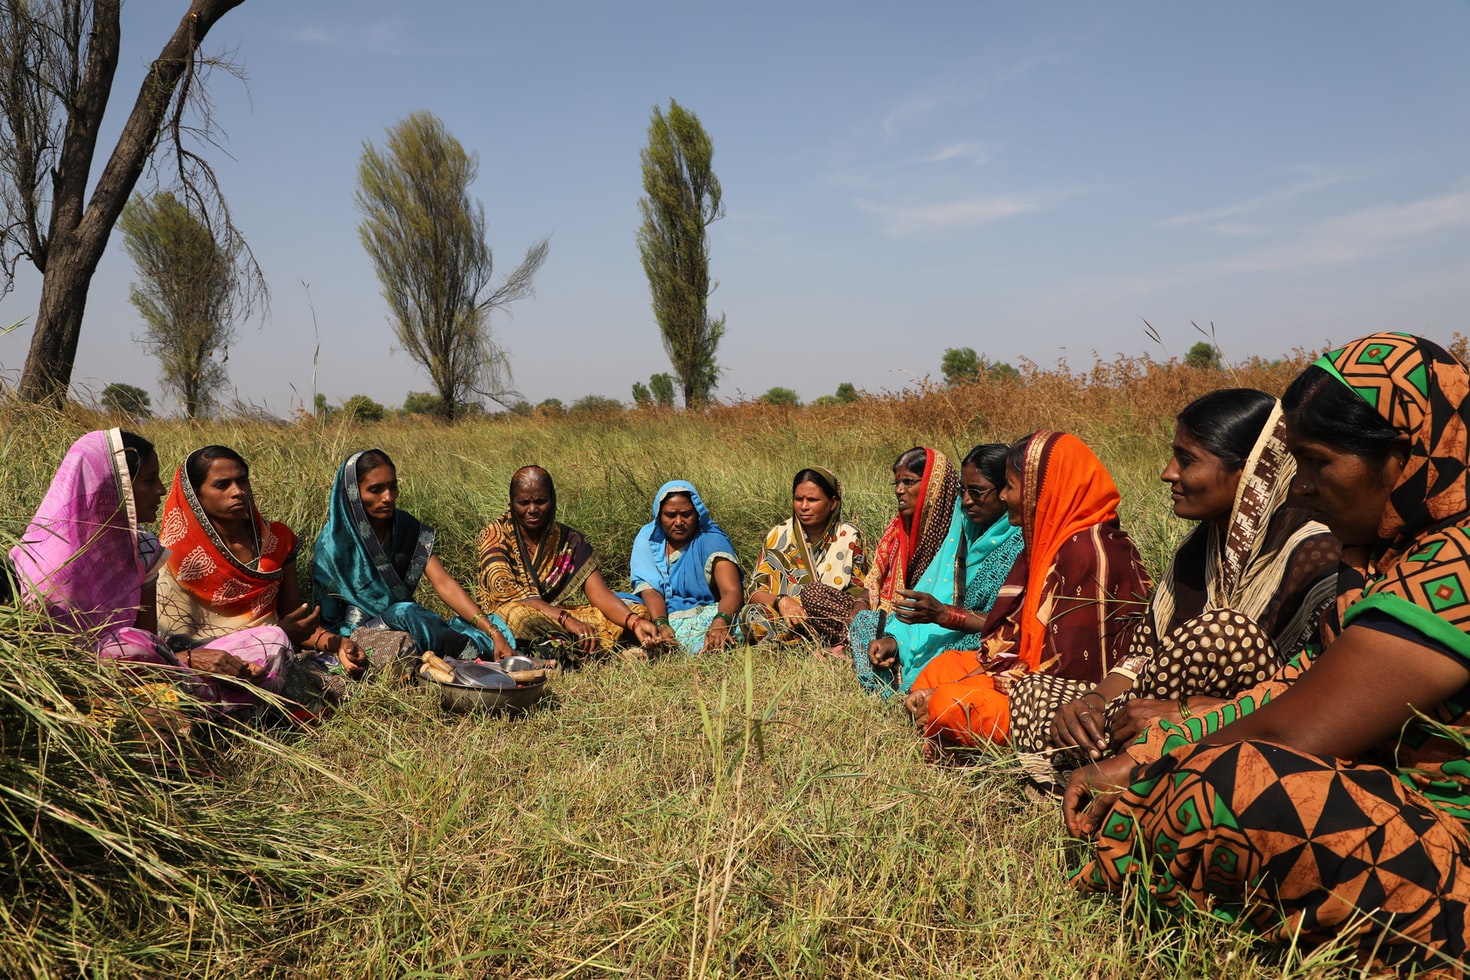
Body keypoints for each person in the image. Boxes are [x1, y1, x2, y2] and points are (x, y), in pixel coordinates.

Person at [1065, 333, 1470, 973]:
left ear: (1399, 458)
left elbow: (1297, 730)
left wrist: (1148, 777)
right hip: (1389, 799)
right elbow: (1285, 687)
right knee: (1176, 753)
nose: (1299, 487)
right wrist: (1149, 749)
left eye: (1316, 463)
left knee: (1236, 782)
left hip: (1454, 852)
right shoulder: (1384, 558)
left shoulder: (1457, 565)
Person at [1008, 391, 1340, 773]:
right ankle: (1121, 764)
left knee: (1223, 635)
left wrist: (1186, 714)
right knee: (1032, 692)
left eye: (1187, 460)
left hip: (1253, 728)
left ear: (1252, 472)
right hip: (1148, 708)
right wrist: (1093, 705)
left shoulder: (1314, 554)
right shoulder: (1199, 547)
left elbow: (1318, 696)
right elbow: (1142, 654)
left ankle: (1138, 770)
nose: (1168, 472)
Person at [8, 429, 285, 713]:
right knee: (130, 651)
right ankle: (218, 707)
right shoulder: (45, 566)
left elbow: (151, 643)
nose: (162, 490)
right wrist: (189, 660)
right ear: (114, 487)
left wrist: (198, 661)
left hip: (158, 670)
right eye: (150, 480)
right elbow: (56, 665)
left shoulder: (143, 549)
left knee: (271, 640)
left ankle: (210, 704)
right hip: (91, 687)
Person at [904, 431, 1152, 748]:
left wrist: (958, 687)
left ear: (1043, 489)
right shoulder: (1045, 541)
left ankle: (945, 727)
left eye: (1009, 485)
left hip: (1061, 701)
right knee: (942, 667)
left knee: (949, 702)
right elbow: (1016, 644)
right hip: (1023, 673)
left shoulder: (1089, 554)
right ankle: (944, 724)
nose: (1005, 496)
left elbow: (1065, 677)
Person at [155, 446, 363, 695]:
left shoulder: (276, 540)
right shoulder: (172, 555)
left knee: (395, 641)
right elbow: (161, 647)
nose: (238, 492)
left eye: (242, 480)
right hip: (206, 667)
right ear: (195, 495)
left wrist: (337, 643)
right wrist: (277, 635)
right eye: (222, 485)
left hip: (276, 652)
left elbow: (294, 625)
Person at [849, 446, 1025, 696]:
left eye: (977, 492)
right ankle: (902, 668)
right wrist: (895, 640)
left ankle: (919, 683)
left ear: (1006, 491)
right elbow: (934, 592)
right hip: (939, 628)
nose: (966, 501)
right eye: (962, 491)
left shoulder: (1020, 542)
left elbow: (1012, 625)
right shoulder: (962, 527)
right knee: (866, 623)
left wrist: (945, 615)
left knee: (976, 649)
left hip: (981, 638)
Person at [311, 449, 515, 665]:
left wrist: (492, 631)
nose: (388, 497)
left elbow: (444, 583)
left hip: (403, 623)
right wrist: (344, 645)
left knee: (496, 625)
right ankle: (474, 654)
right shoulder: (333, 543)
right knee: (406, 617)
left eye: (393, 486)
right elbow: (330, 619)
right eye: (375, 490)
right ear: (352, 492)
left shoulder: (405, 527)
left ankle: (492, 647)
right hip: (354, 636)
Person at [476, 465, 661, 656]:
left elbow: (599, 595)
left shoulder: (568, 540)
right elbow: (516, 600)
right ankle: (577, 651)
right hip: (507, 618)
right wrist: (567, 620)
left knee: (636, 610)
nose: (532, 509)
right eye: (523, 502)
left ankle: (571, 648)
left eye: (541, 501)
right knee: (522, 618)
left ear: (553, 500)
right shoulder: (494, 536)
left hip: (553, 615)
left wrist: (634, 622)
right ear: (511, 502)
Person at [740, 466, 869, 647]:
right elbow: (755, 592)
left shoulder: (848, 536)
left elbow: (859, 590)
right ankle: (800, 642)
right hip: (787, 618)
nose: (804, 506)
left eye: (812, 500)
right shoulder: (779, 535)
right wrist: (782, 601)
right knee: (751, 613)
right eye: (798, 499)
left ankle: (821, 640)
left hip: (828, 617)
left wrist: (817, 602)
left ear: (833, 503)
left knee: (818, 597)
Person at [623, 480, 743, 654]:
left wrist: (721, 620)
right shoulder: (647, 539)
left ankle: (654, 649)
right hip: (656, 614)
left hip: (703, 614)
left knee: (748, 619)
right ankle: (654, 642)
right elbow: (650, 590)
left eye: (686, 514)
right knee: (620, 608)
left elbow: (732, 591)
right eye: (670, 515)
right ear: (659, 516)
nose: (679, 522)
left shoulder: (711, 539)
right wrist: (661, 623)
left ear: (697, 513)